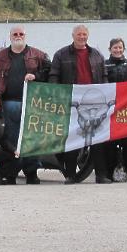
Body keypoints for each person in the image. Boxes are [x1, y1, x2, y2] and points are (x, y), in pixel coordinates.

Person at [0, 25, 50, 184]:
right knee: (10, 140)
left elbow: (51, 74)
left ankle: (31, 172)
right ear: (10, 37)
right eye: (15, 34)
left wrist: (35, 75)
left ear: (25, 35)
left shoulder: (39, 55)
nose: (18, 36)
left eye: (21, 33)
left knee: (32, 139)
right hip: (8, 104)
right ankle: (11, 172)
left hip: (32, 104)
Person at [49, 24, 108, 184]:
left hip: (93, 102)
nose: (82, 37)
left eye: (84, 35)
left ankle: (101, 175)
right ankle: (70, 175)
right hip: (71, 102)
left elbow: (104, 77)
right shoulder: (61, 54)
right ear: (73, 35)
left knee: (97, 139)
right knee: (72, 139)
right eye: (79, 34)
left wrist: (107, 95)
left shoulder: (96, 55)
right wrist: (58, 96)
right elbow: (54, 76)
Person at [104, 37, 127, 180]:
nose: (117, 50)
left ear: (124, 49)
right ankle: (110, 170)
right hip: (110, 110)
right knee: (110, 142)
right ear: (110, 50)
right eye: (115, 48)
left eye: (120, 48)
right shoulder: (104, 65)